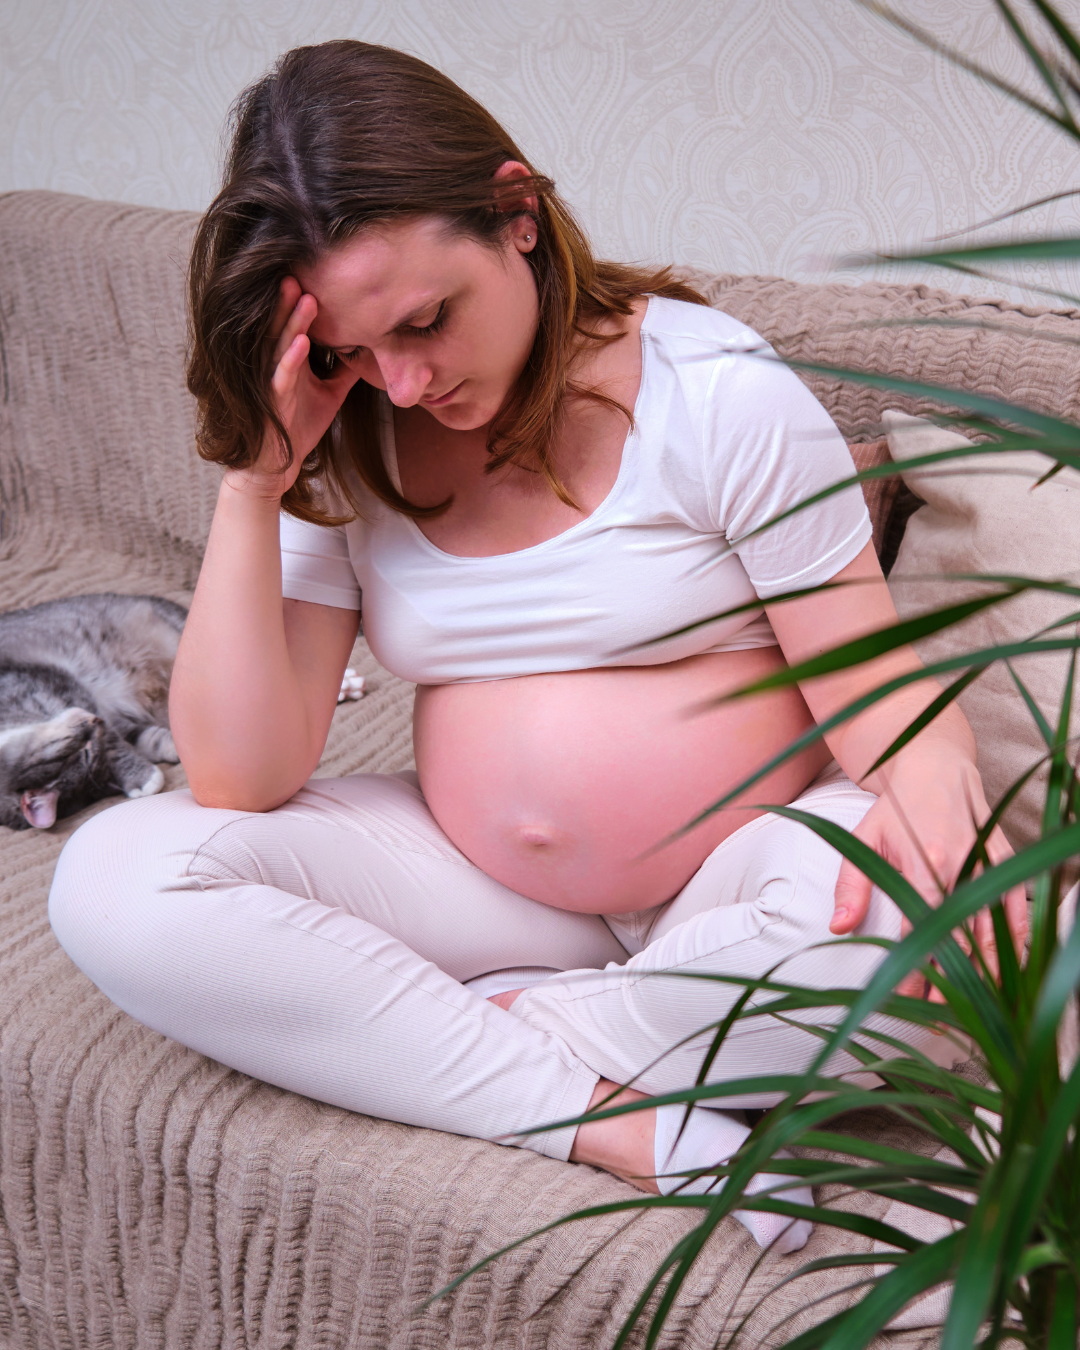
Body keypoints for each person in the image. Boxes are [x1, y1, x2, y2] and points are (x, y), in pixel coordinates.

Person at [48, 40, 1025, 1255]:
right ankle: (619, 1122)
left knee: (888, 946)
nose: (403, 383)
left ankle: (463, 1032)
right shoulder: (349, 435)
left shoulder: (714, 390)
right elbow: (243, 777)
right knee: (114, 883)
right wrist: (257, 483)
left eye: (426, 321)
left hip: (736, 872)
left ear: (516, 213)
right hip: (479, 887)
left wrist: (948, 822)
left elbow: (869, 677)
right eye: (354, 352)